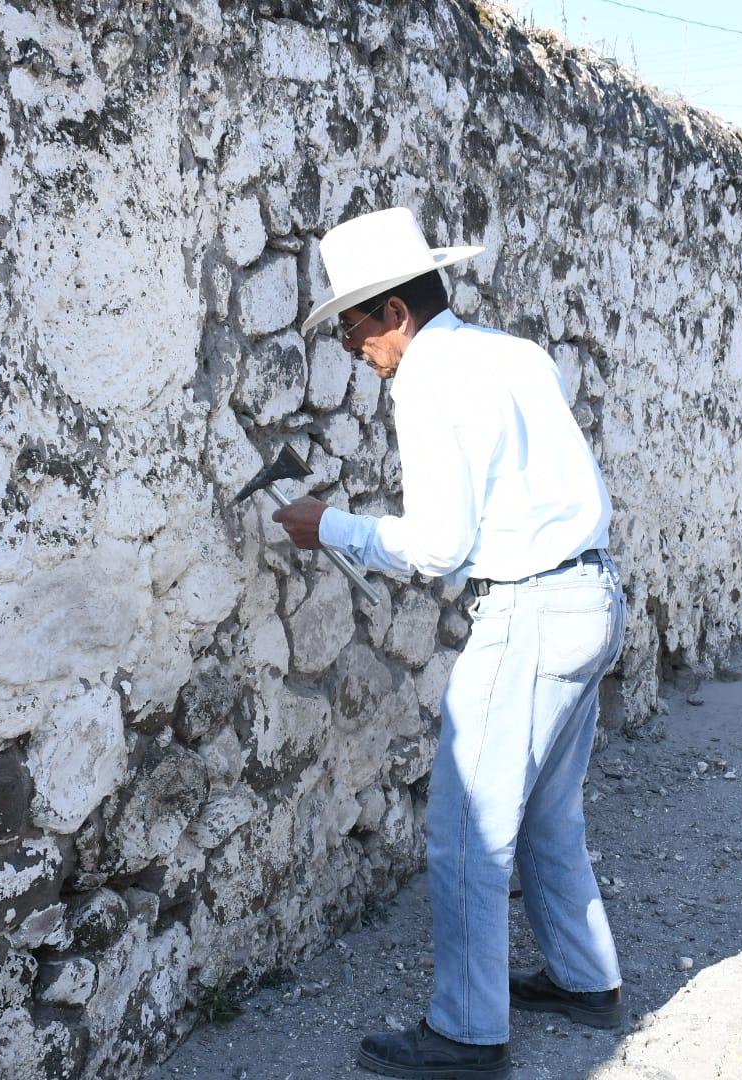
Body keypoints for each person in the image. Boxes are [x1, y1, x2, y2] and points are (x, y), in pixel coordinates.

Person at [272, 207, 625, 1078]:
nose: (353, 347)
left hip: (531, 610)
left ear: (395, 312)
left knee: (467, 829)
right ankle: (586, 981)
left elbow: (437, 547)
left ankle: (467, 1035)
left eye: (355, 325)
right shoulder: (512, 353)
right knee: (549, 811)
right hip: (594, 593)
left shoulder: (426, 377)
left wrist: (334, 528)